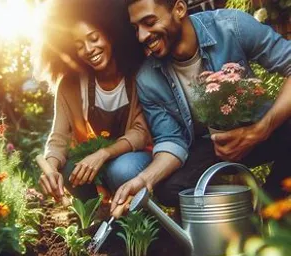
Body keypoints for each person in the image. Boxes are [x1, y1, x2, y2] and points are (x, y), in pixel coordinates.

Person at [111, 0, 291, 212]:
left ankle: (271, 204)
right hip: (212, 146)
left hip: (259, 129)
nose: (142, 36)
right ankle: (235, 211)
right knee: (169, 188)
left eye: (149, 22)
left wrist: (260, 130)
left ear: (179, 9)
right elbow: (171, 141)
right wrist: (143, 180)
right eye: (136, 28)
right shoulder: (147, 79)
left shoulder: (230, 25)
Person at [33, 0, 151, 202]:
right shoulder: (70, 86)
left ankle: (138, 221)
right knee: (70, 169)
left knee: (121, 170)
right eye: (79, 46)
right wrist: (50, 168)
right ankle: (96, 218)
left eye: (94, 38)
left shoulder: (138, 75)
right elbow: (58, 139)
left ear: (111, 35)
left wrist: (103, 153)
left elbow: (141, 133)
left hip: (135, 156)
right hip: (98, 160)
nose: (88, 49)